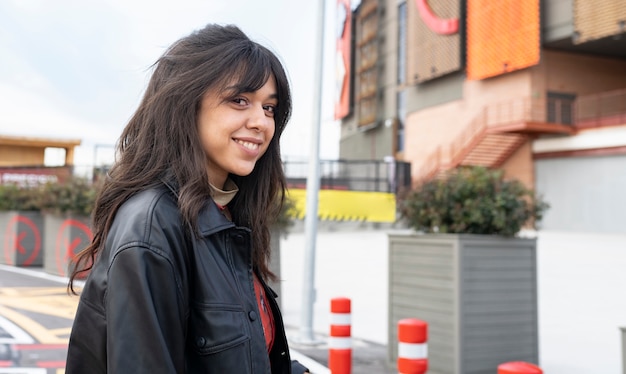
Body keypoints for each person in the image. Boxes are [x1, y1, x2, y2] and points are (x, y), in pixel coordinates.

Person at [65, 24, 309, 374]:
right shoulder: (152, 231)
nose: (261, 122)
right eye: (239, 100)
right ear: (186, 105)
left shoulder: (225, 213)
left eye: (269, 107)